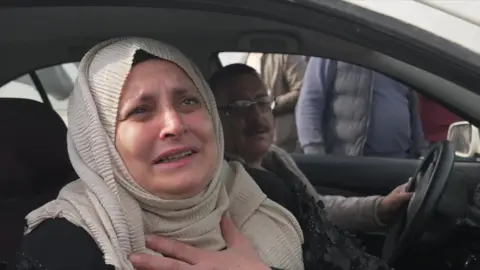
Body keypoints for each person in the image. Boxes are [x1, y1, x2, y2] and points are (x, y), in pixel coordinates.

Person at [9, 38, 389, 270]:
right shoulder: (65, 243)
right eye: (141, 110)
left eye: (189, 101)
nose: (175, 124)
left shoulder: (268, 193)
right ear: (101, 141)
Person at [208, 63, 411, 232]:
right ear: (214, 118)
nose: (257, 116)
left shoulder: (275, 158)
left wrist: (380, 208)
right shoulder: (227, 186)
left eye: (262, 102)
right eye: (241, 106)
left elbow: (316, 209)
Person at [296, 57, 428, 158]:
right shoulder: (335, 46)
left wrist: (420, 150)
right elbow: (310, 100)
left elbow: (412, 108)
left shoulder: (398, 53)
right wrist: (314, 152)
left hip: (398, 161)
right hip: (350, 161)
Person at [244, 53, 307, 153]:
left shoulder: (286, 56)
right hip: (250, 141)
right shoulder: (244, 57)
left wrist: (271, 104)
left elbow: (303, 91)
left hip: (283, 143)